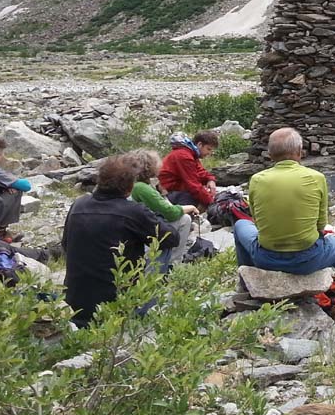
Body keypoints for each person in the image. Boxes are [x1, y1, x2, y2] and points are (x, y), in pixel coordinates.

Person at [232, 127, 335, 311]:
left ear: (270, 154)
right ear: (299, 151)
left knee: (240, 225)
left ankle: (247, 284)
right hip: (308, 259)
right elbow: (320, 225)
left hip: (265, 258)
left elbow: (256, 219)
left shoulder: (256, 179)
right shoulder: (316, 178)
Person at [61, 154, 179, 327]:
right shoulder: (133, 211)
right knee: (163, 244)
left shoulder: (78, 204)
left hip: (76, 303)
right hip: (117, 305)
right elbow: (172, 237)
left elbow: (65, 245)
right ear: (130, 187)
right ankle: (145, 310)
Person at [125, 148, 197, 272]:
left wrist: (162, 193)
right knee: (184, 219)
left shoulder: (138, 185)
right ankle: (173, 263)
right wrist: (190, 207)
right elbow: (170, 212)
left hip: (139, 226)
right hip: (146, 229)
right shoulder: (142, 188)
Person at [159, 130, 218, 208]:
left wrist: (210, 179)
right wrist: (212, 202)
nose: (209, 153)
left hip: (175, 190)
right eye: (208, 149)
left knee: (200, 194)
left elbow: (199, 171)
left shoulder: (190, 153)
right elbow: (193, 185)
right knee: (193, 196)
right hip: (167, 193)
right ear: (200, 144)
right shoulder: (184, 156)